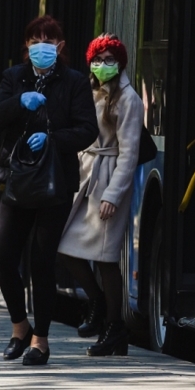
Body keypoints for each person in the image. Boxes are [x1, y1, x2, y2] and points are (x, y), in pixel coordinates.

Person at [0, 15, 99, 366]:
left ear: (60, 46)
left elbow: (87, 130)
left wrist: (52, 138)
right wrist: (19, 101)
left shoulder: (74, 82)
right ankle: (20, 325)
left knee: (42, 262)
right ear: (26, 45)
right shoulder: (13, 78)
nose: (41, 45)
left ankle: (40, 340)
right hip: (17, 180)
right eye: (35, 39)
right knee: (3, 255)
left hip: (54, 182)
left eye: (49, 40)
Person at [57, 33, 142, 356]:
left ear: (120, 63)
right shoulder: (89, 91)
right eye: (97, 59)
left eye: (109, 59)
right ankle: (96, 302)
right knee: (65, 247)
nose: (103, 65)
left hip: (108, 180)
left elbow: (129, 152)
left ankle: (114, 328)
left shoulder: (129, 99)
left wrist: (114, 194)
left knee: (106, 259)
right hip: (84, 175)